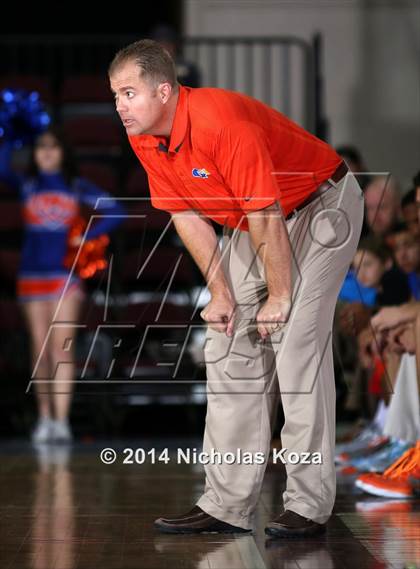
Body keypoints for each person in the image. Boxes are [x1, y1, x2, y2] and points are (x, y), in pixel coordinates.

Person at [109, 39, 364, 538]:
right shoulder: (145, 136)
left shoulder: (221, 123)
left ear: (164, 90)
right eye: (114, 95)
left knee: (295, 348)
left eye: (128, 93)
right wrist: (221, 293)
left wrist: (280, 296)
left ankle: (308, 503)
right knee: (227, 347)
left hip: (319, 206)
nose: (119, 106)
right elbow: (184, 214)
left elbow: (266, 213)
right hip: (253, 222)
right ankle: (225, 503)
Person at [0, 126, 124, 443]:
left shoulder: (75, 185)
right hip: (31, 277)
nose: (46, 152)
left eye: (53, 147)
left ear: (63, 153)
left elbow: (116, 210)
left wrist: (88, 237)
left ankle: (62, 420)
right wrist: (9, 136)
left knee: (61, 349)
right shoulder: (27, 184)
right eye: (41, 147)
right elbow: (2, 166)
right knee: (40, 350)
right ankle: (45, 418)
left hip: (64, 277)